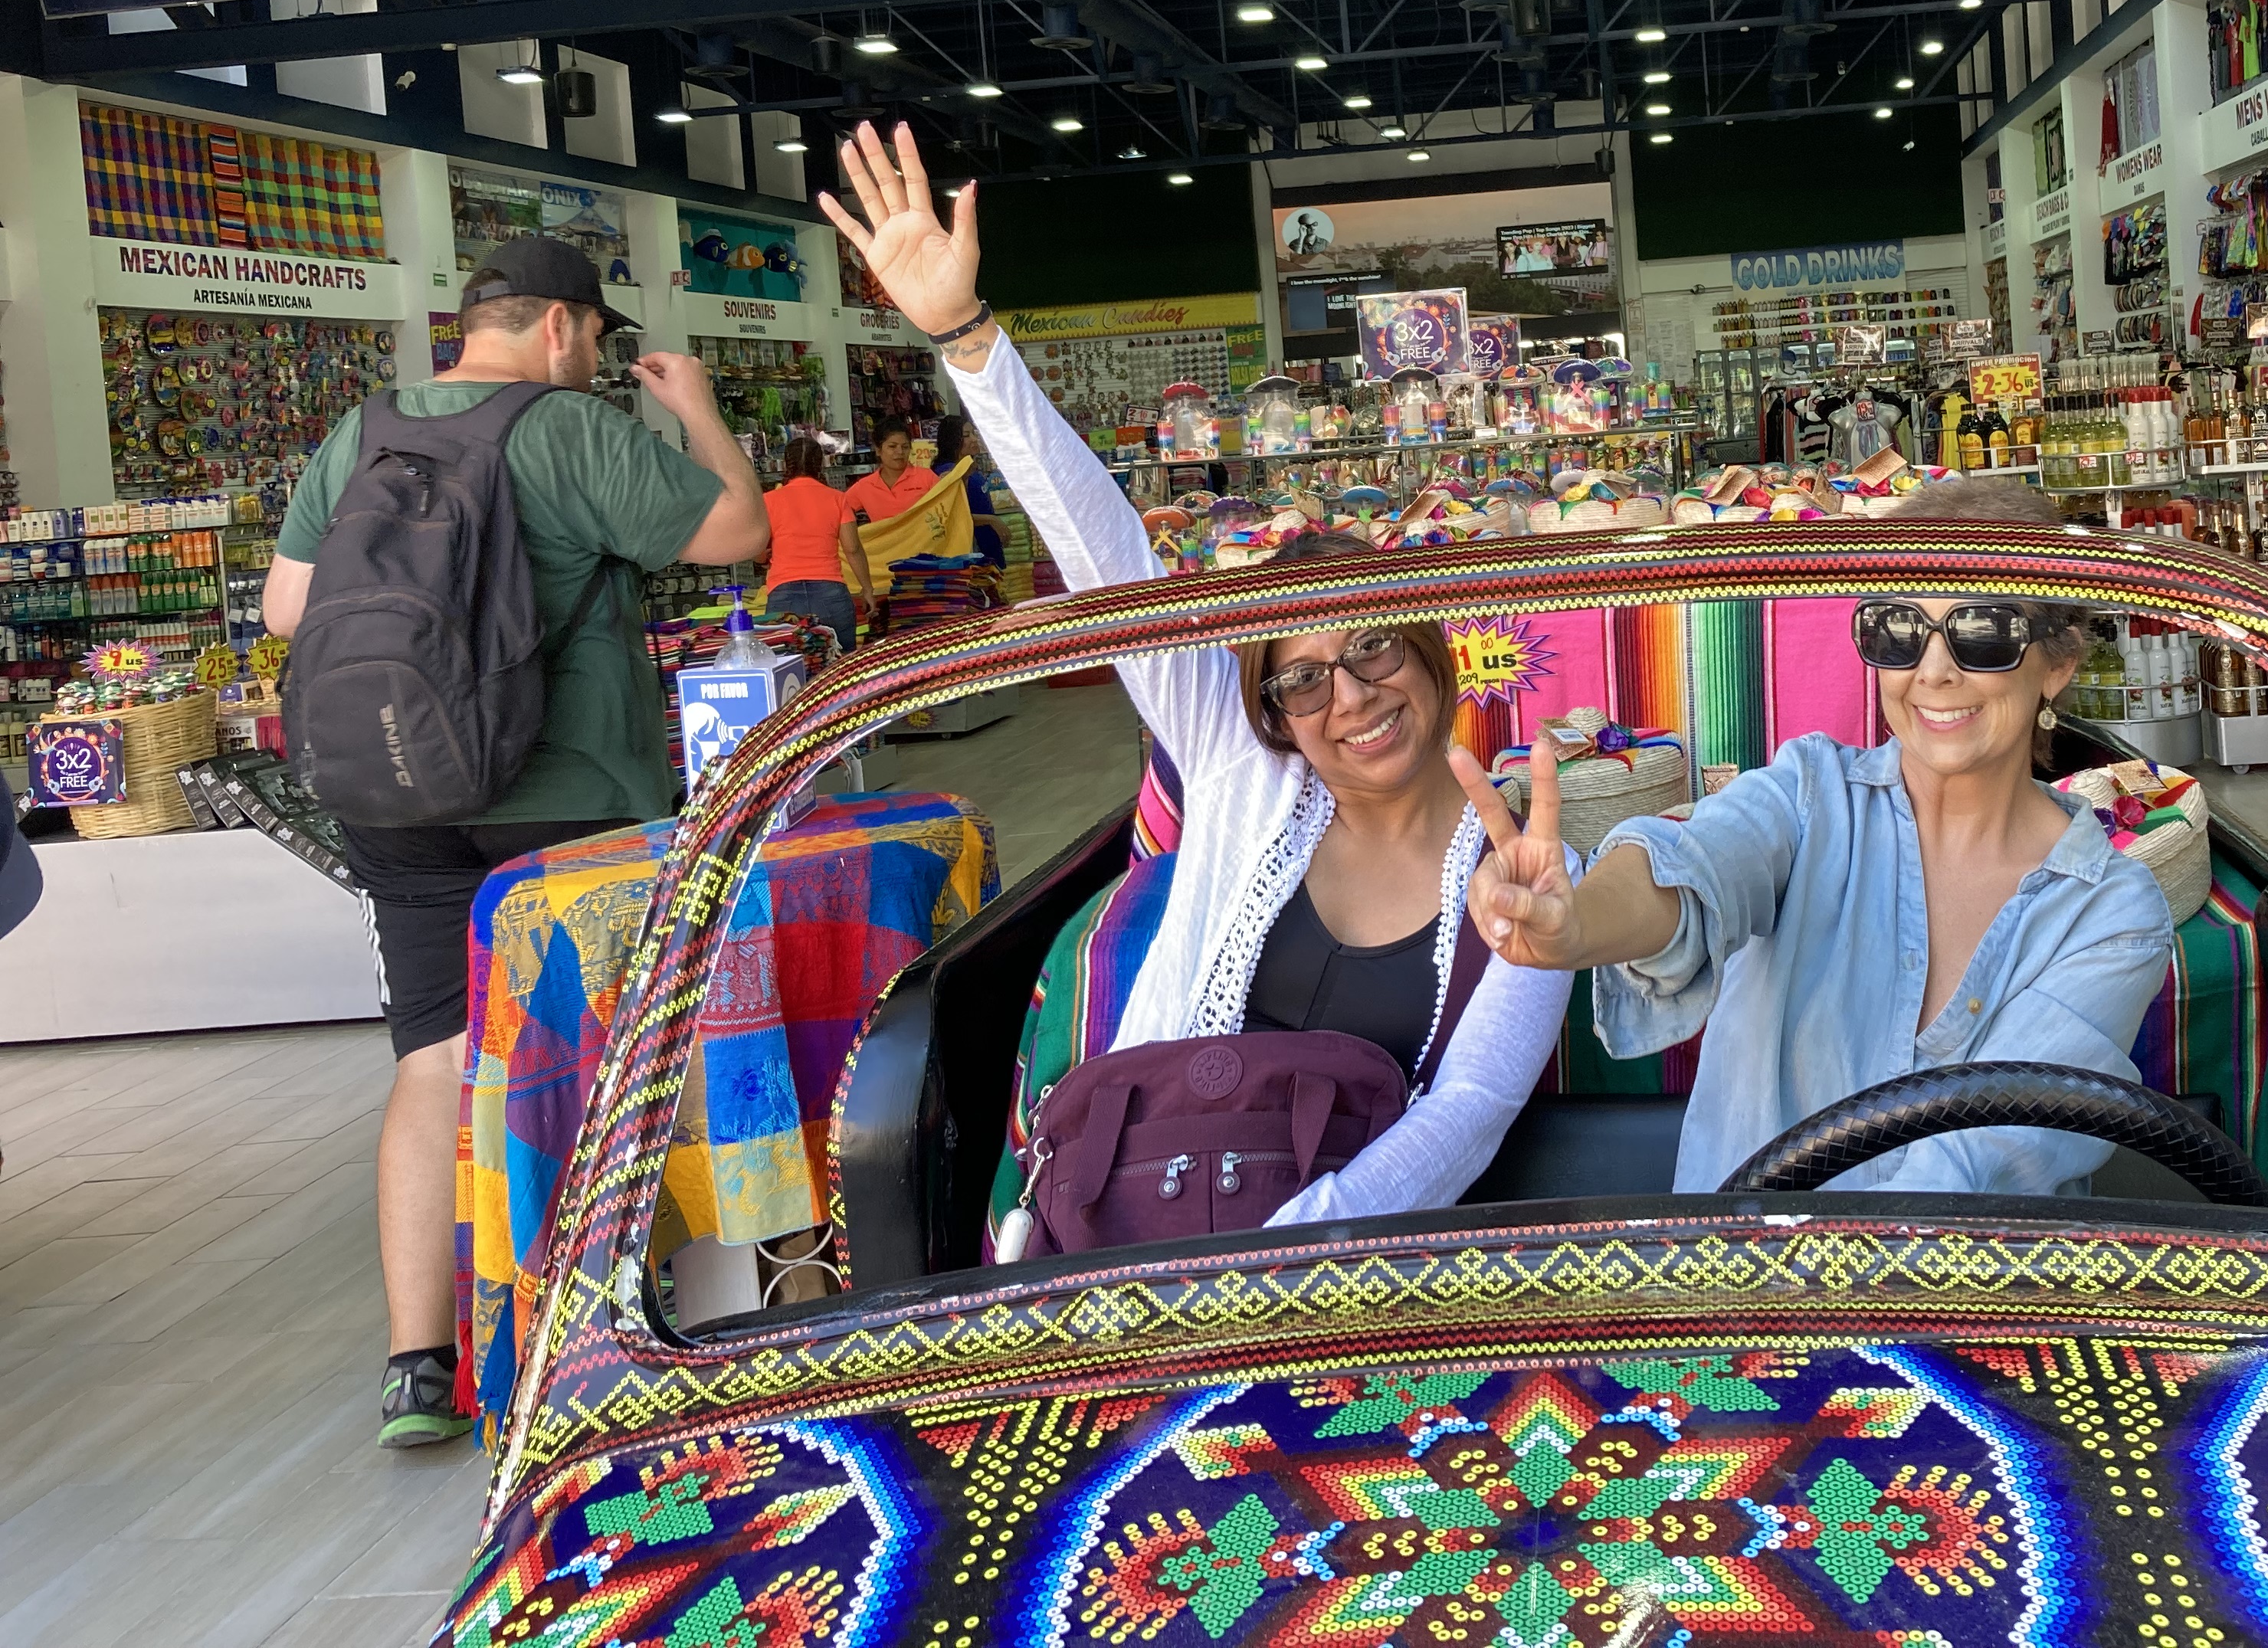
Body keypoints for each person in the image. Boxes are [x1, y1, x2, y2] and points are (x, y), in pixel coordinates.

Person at [819, 124, 1568, 1225]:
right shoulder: (1239, 775)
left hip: (1339, 1271)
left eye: (1371, 646)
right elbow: (1106, 559)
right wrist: (966, 337)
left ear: (1428, 649)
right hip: (1126, 1234)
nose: (1349, 697)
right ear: (1271, 711)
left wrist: (1274, 1262)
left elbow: (1473, 1107)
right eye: (1302, 680)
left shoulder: (1524, 862)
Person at [262, 236, 769, 1445]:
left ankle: (418, 1367)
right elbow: (739, 532)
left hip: (397, 797)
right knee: (610, 1048)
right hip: (567, 793)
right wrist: (697, 411)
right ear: (559, 328)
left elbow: (287, 609)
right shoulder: (569, 429)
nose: (594, 358)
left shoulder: (362, 431)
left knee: (434, 1061)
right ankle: (616, 1332)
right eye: (596, 338)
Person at [1465, 473, 2174, 1199]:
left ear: (2059, 663)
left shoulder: (2110, 912)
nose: (1933, 673)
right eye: (1899, 631)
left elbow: (1988, 1152)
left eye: (1983, 634)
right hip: (1740, 1266)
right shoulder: (1809, 795)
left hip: (1945, 1272)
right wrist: (1578, 922)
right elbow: (1691, 870)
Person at [759, 436, 867, 650]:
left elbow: (758, 552)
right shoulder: (838, 498)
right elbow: (853, 549)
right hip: (831, 593)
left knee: (787, 665)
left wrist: (765, 558)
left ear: (786, 464)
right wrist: (868, 589)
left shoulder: (768, 501)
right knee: (841, 664)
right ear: (820, 464)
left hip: (783, 594)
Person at [929, 414, 1005, 578]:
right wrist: (992, 520)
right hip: (971, 550)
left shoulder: (967, 467)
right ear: (953, 440)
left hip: (987, 548)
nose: (974, 439)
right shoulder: (948, 473)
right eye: (967, 435)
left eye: (974, 433)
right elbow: (951, 515)